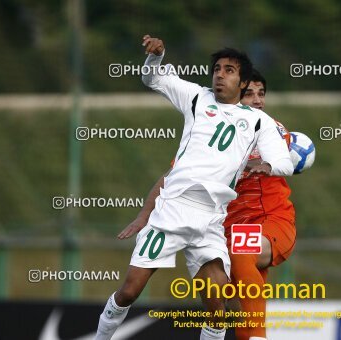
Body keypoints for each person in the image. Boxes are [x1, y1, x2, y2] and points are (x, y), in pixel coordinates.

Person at [94, 35, 294, 340]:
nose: (219, 74)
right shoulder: (197, 98)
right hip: (172, 210)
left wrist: (268, 165)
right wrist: (157, 57)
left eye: (229, 70)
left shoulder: (258, 122)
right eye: (217, 69)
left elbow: (284, 162)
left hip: (212, 220)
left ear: (243, 83)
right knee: (130, 291)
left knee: (218, 305)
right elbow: (153, 78)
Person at [224, 69, 296, 340]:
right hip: (229, 229)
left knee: (241, 249)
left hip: (272, 221)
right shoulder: (209, 130)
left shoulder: (270, 127)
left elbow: (274, 149)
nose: (257, 100)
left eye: (261, 93)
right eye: (249, 94)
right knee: (227, 304)